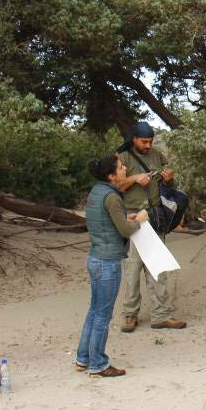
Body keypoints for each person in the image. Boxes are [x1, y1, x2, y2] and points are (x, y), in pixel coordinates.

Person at [76, 155, 148, 378]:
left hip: (95, 258)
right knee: (102, 316)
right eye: (120, 167)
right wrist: (141, 219)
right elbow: (125, 231)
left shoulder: (97, 192)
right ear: (111, 175)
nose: (124, 168)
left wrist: (128, 218)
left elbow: (109, 219)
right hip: (107, 262)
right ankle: (98, 365)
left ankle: (83, 359)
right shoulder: (112, 196)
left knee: (94, 311)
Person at [118, 122, 187, 332]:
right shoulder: (122, 158)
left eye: (150, 141)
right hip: (131, 219)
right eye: (144, 141)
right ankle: (130, 316)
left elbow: (167, 184)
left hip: (154, 218)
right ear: (134, 139)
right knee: (132, 270)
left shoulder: (157, 154)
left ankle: (161, 316)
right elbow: (117, 185)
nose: (148, 145)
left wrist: (168, 179)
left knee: (157, 269)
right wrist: (135, 179)